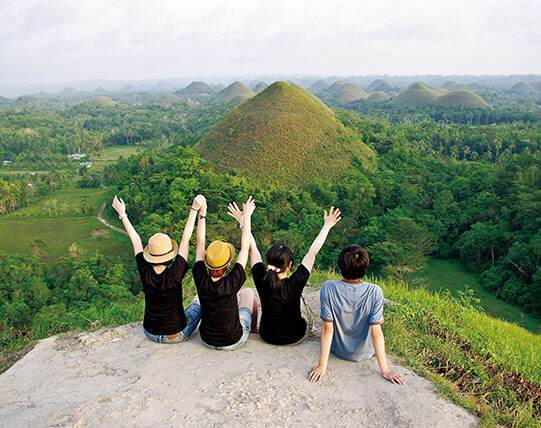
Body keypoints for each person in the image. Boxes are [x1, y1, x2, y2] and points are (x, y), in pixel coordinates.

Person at [228, 203, 341, 345]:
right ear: (290, 265)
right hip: (295, 337)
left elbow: (253, 248)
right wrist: (327, 226)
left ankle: (255, 329)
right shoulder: (296, 282)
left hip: (267, 335)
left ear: (268, 261)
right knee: (302, 308)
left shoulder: (261, 278)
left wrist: (243, 221)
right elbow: (312, 252)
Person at [111, 195, 203, 344]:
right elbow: (185, 240)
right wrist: (194, 209)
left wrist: (122, 214)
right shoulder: (175, 273)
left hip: (150, 332)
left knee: (190, 307)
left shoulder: (144, 270)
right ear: (170, 255)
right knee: (198, 303)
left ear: (150, 255)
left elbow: (135, 239)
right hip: (175, 334)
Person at [308, 244, 405, 384]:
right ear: (365, 268)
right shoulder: (375, 291)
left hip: (338, 350)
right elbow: (376, 333)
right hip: (365, 353)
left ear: (340, 266)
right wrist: (385, 370)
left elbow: (327, 329)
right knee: (379, 322)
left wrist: (322, 366)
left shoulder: (327, 288)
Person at [192, 196, 258, 350]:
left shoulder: (200, 277)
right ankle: (253, 329)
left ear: (206, 262)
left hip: (206, 339)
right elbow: (244, 248)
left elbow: (200, 242)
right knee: (248, 293)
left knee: (198, 298)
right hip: (233, 340)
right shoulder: (231, 282)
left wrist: (202, 214)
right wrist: (246, 218)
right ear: (229, 264)